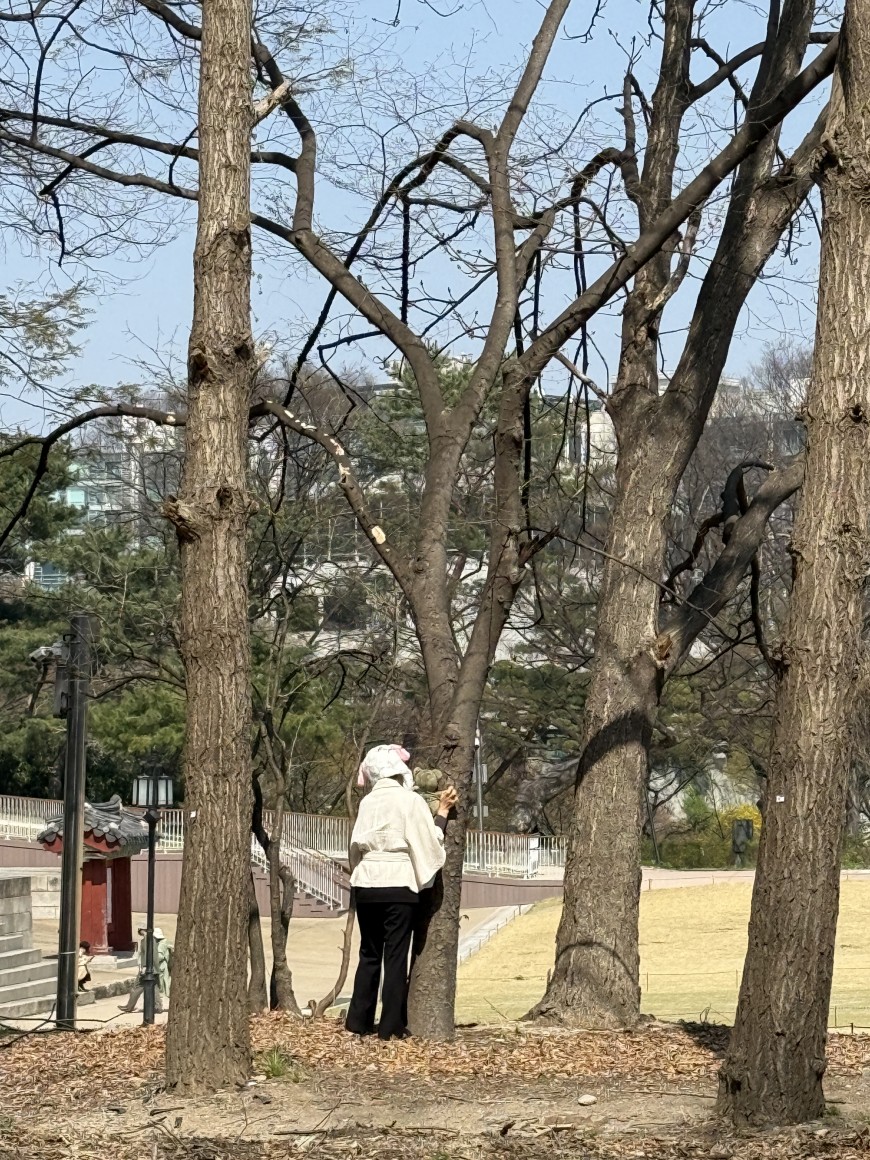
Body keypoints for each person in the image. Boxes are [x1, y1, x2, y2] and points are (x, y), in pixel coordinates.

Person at [345, 743, 457, 1041]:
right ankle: (390, 1026)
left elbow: (355, 847)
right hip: (398, 882)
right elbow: (428, 841)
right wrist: (442, 813)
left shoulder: (367, 803)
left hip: (366, 882)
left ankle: (358, 1021)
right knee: (395, 955)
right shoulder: (410, 801)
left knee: (369, 953)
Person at [120, 926, 173, 1013]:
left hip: (148, 968)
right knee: (155, 988)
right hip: (154, 968)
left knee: (138, 986)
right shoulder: (151, 939)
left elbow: (148, 954)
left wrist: (145, 966)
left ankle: (129, 1006)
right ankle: (157, 1007)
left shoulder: (148, 939)